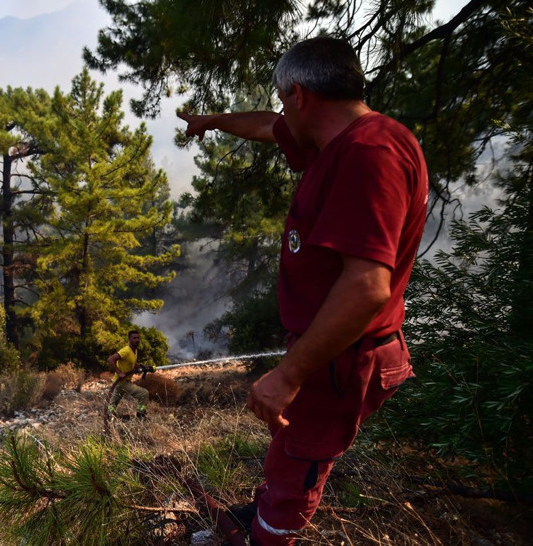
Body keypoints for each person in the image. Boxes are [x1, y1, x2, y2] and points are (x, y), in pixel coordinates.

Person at [178, 37, 428, 545]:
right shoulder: (342, 138)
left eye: (281, 98)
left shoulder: (367, 155)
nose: (279, 114)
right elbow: (267, 126)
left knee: (299, 467)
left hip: (343, 358)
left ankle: (270, 533)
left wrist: (288, 374)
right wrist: (213, 121)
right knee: (290, 450)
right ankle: (258, 516)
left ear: (299, 94)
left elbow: (366, 286)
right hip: (330, 353)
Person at [107, 330, 150, 418]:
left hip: (122, 382)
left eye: (138, 338)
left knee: (112, 404)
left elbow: (133, 363)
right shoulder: (126, 351)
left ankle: (109, 417)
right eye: (134, 338)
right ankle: (140, 416)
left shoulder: (135, 350)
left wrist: (143, 367)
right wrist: (119, 372)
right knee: (144, 394)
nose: (137, 340)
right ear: (129, 339)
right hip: (122, 382)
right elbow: (110, 359)